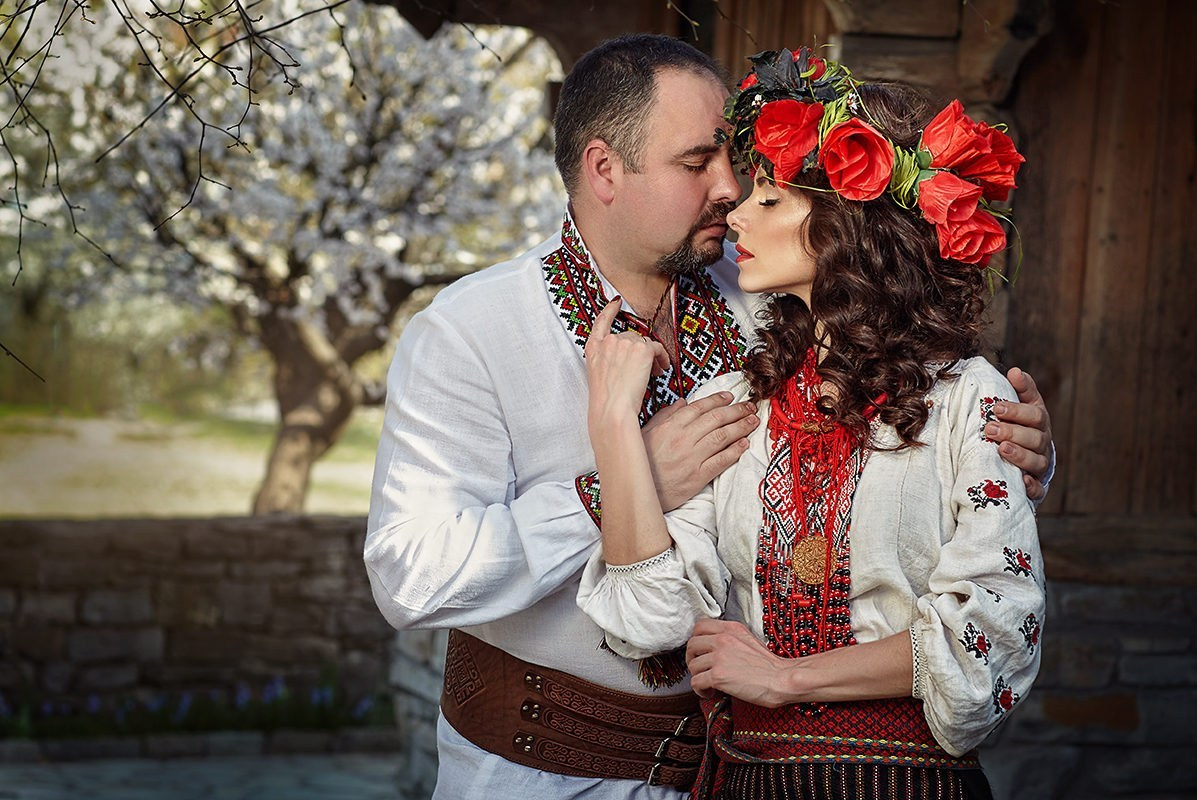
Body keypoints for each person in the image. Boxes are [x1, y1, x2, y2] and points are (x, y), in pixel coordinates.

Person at [365, 35, 1053, 800]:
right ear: (604, 170)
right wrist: (619, 489)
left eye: (734, 161)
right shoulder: (473, 330)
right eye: (696, 163)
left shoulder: (777, 288)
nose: (729, 186)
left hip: (752, 769)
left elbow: (911, 415)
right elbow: (411, 579)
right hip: (545, 773)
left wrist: (1016, 449)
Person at [577, 49, 1045, 799]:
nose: (734, 212)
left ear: (846, 221)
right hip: (748, 782)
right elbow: (648, 617)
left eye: (771, 198)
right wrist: (612, 427)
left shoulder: (969, 398)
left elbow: (991, 631)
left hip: (907, 785)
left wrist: (786, 678)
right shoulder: (738, 404)